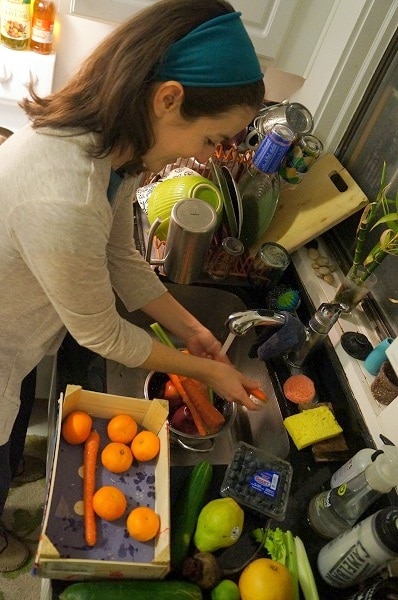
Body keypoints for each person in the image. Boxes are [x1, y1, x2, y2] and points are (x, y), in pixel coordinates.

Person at [0, 0, 265, 571]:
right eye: (210, 136)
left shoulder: (112, 150)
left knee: (15, 416)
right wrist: (210, 370)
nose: (204, 155)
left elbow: (122, 255)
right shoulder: (65, 194)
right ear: (168, 98)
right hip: (1, 345)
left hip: (17, 340)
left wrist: (192, 330)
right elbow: (101, 333)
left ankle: (12, 456)